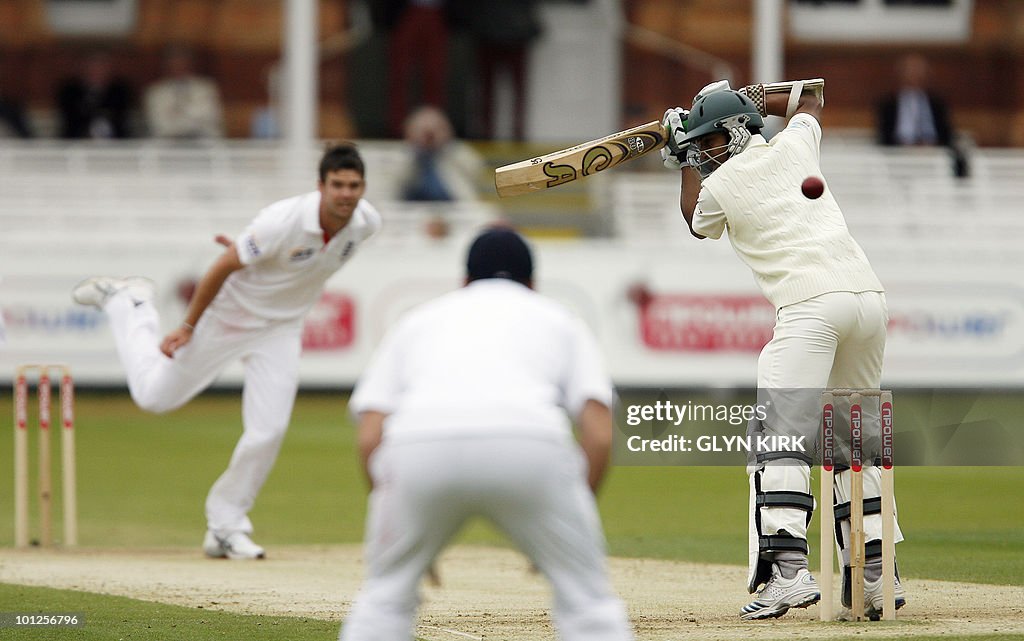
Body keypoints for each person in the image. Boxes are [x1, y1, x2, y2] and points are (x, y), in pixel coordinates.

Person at [660, 81, 907, 620]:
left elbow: (693, 220)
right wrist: (757, 98)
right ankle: (873, 576)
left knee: (780, 437)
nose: (704, 153)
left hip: (809, 304)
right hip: (867, 298)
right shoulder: (796, 144)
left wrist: (680, 154)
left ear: (728, 135)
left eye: (707, 142)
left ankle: (787, 573)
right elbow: (812, 98)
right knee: (854, 438)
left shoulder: (721, 184)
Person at [71, 143, 382, 559]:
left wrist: (260, 257)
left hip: (280, 330)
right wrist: (186, 326)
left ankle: (226, 525)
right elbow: (222, 266)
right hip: (229, 318)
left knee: (268, 430)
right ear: (320, 186)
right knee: (155, 397)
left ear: (363, 187)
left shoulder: (365, 223)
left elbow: (303, 262)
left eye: (354, 185)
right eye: (338, 184)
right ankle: (130, 302)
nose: (346, 194)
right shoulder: (282, 221)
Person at [339, 228, 634, 641]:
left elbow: (370, 434)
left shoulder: (418, 320)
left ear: (464, 281)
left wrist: (404, 523)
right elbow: (599, 435)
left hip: (420, 446)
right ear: (532, 283)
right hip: (528, 444)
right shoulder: (559, 318)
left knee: (384, 598)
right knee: (588, 603)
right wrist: (565, 518)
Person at [877, 53, 967, 177]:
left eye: (918, 71)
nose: (914, 75)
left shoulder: (937, 104)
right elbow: (884, 135)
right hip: (898, 156)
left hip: (935, 155)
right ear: (901, 74)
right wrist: (905, 145)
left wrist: (930, 145)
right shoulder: (888, 105)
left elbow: (947, 133)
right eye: (910, 71)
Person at [395, 105, 482, 202]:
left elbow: (474, 172)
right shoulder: (397, 156)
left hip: (454, 212)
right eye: (421, 130)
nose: (429, 137)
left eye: (438, 128)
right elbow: (394, 187)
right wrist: (418, 150)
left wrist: (442, 149)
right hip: (406, 213)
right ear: (408, 131)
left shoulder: (461, 154)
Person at [144, 46, 225, 139]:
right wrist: (192, 115)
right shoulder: (156, 92)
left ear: (190, 64)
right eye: (174, 64)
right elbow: (160, 125)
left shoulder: (206, 88)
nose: (179, 67)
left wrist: (176, 114)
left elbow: (209, 117)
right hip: (168, 145)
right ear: (167, 66)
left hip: (204, 143)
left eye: (182, 63)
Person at [56, 51, 134, 139]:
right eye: (91, 67)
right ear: (83, 69)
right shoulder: (69, 91)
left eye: (101, 67)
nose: (96, 71)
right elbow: (72, 118)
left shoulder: (120, 90)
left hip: (116, 142)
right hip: (77, 140)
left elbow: (119, 115)